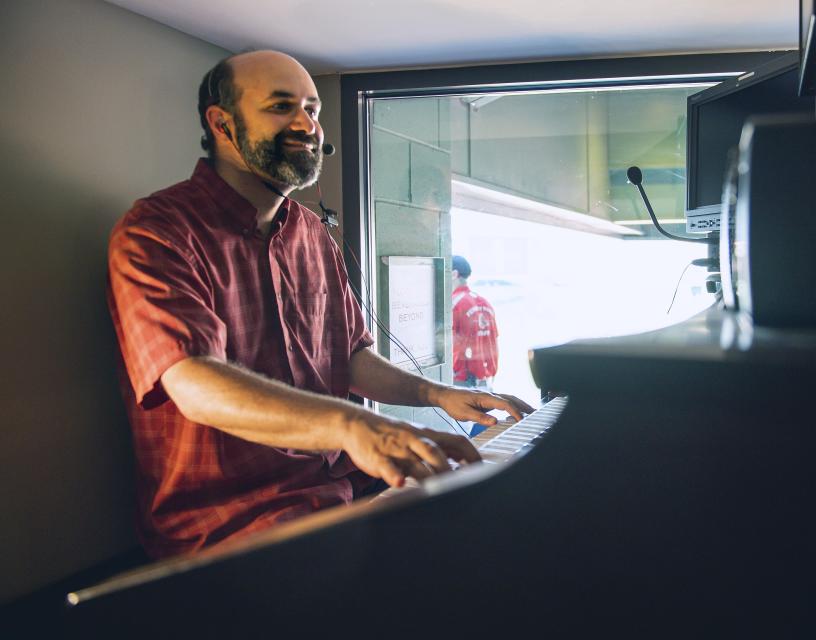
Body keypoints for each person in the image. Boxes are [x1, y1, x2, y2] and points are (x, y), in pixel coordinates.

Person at [107, 50, 533, 559]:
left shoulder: (310, 233)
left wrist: (437, 395)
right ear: (222, 123)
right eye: (281, 106)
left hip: (341, 497)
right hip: (230, 533)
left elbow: (348, 358)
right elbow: (195, 385)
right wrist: (355, 425)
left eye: (312, 109)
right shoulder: (158, 230)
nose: (306, 123)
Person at [451, 255, 500, 390]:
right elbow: (494, 341)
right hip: (486, 382)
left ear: (454, 274)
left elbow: (448, 343)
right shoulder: (485, 303)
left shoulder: (454, 303)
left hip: (462, 382)